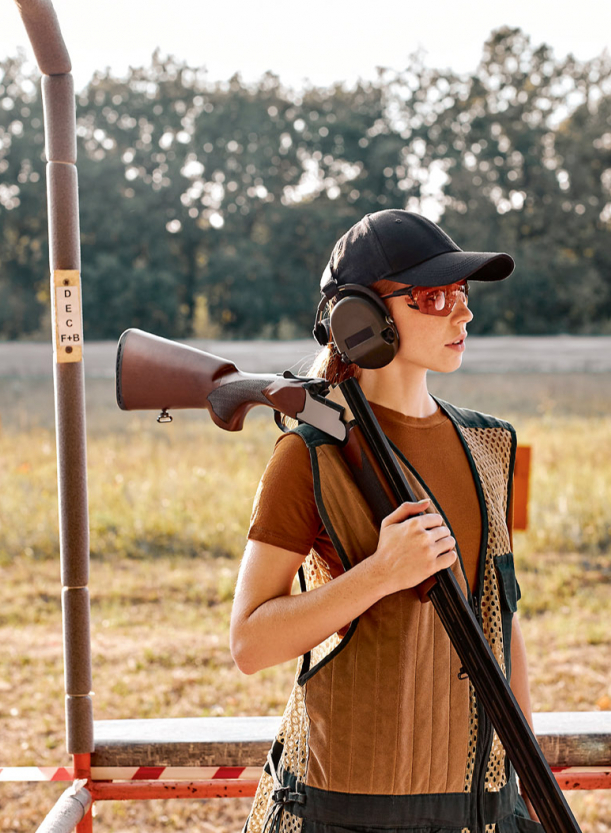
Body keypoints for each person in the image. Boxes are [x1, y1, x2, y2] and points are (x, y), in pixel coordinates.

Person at [230, 209, 540, 833]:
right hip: (341, 807)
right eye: (435, 296)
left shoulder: (489, 446)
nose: (464, 314)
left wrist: (531, 785)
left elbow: (499, 623)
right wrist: (380, 574)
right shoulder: (308, 454)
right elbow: (250, 642)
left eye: (463, 294)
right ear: (361, 319)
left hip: (477, 808)